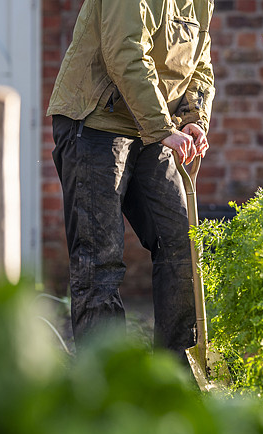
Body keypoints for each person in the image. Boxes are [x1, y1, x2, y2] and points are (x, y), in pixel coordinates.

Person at [47, 0, 215, 368]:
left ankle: (176, 376)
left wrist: (192, 117)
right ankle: (105, 383)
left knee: (183, 245)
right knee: (100, 260)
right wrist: (162, 127)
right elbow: (124, 51)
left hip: (153, 130)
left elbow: (200, 62)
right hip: (94, 123)